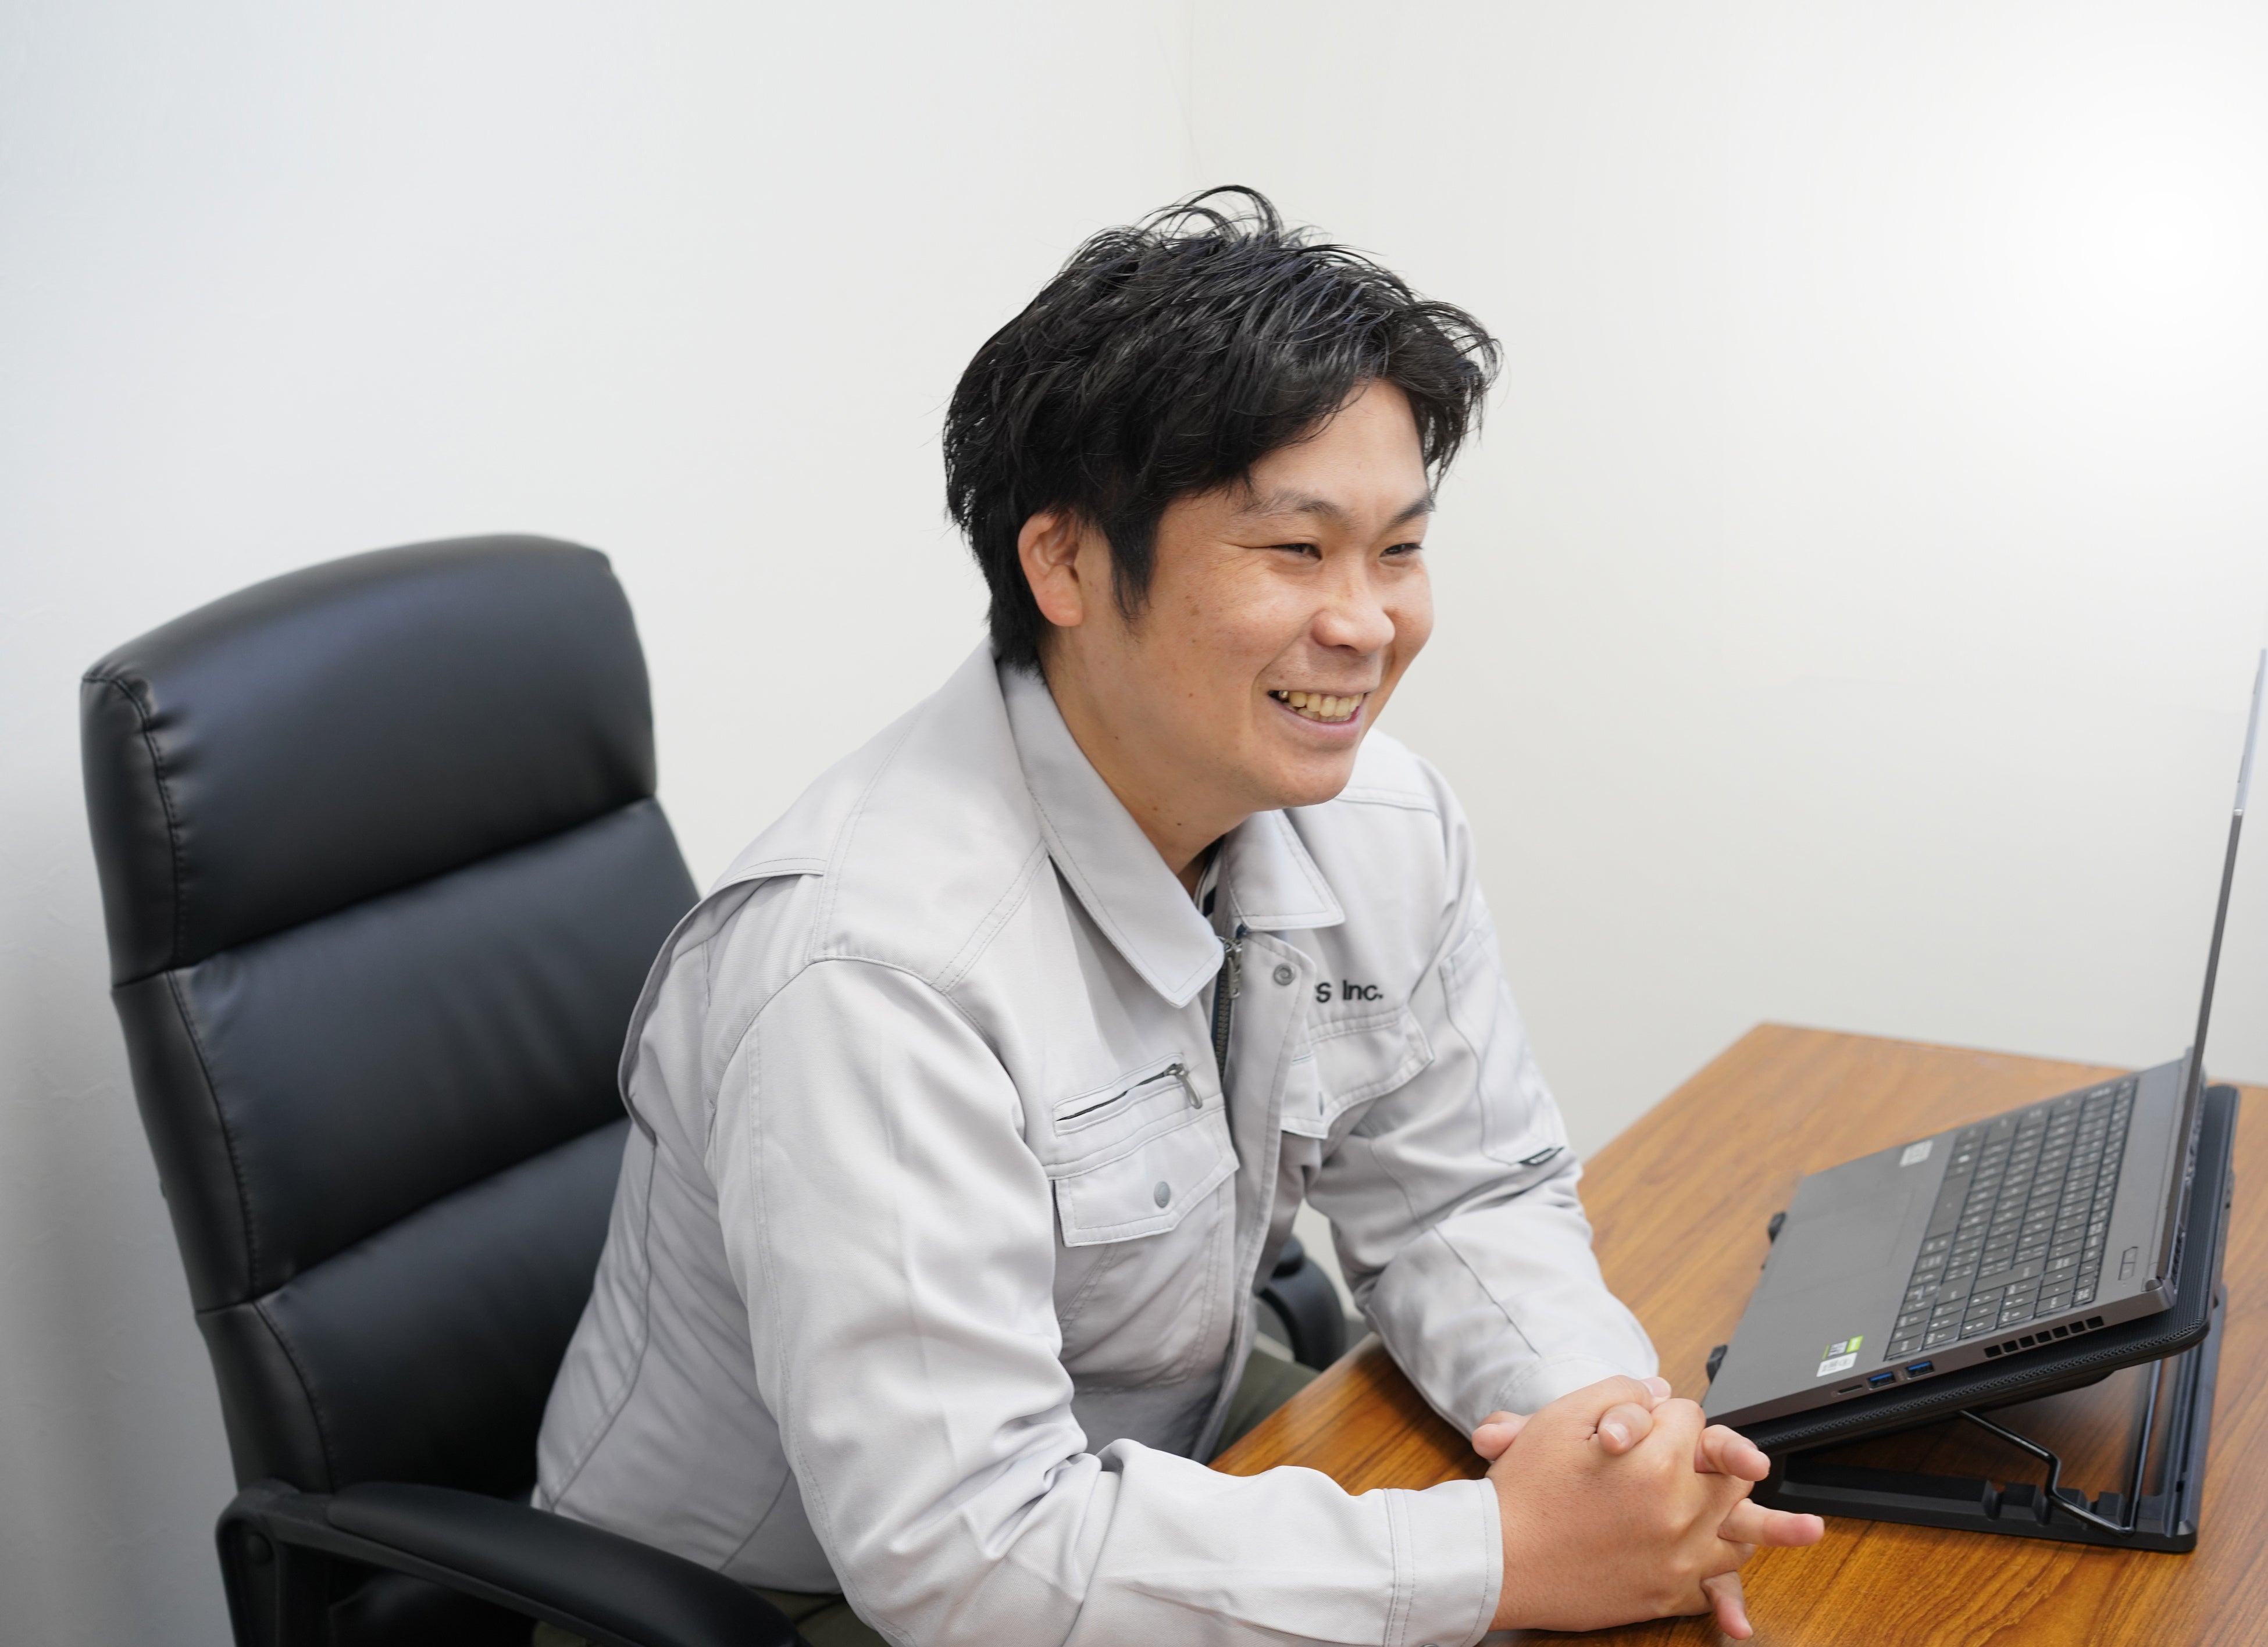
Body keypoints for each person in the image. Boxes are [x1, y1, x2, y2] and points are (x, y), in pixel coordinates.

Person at [533, 188, 1823, 1647]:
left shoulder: (1380, 819)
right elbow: (965, 1555)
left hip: (1167, 1463)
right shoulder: (874, 968)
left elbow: (1457, 1193)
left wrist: (1603, 1443)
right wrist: (1494, 1557)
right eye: (1296, 551)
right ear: (1066, 563)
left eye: (1398, 550)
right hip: (790, 1600)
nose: (1366, 622)